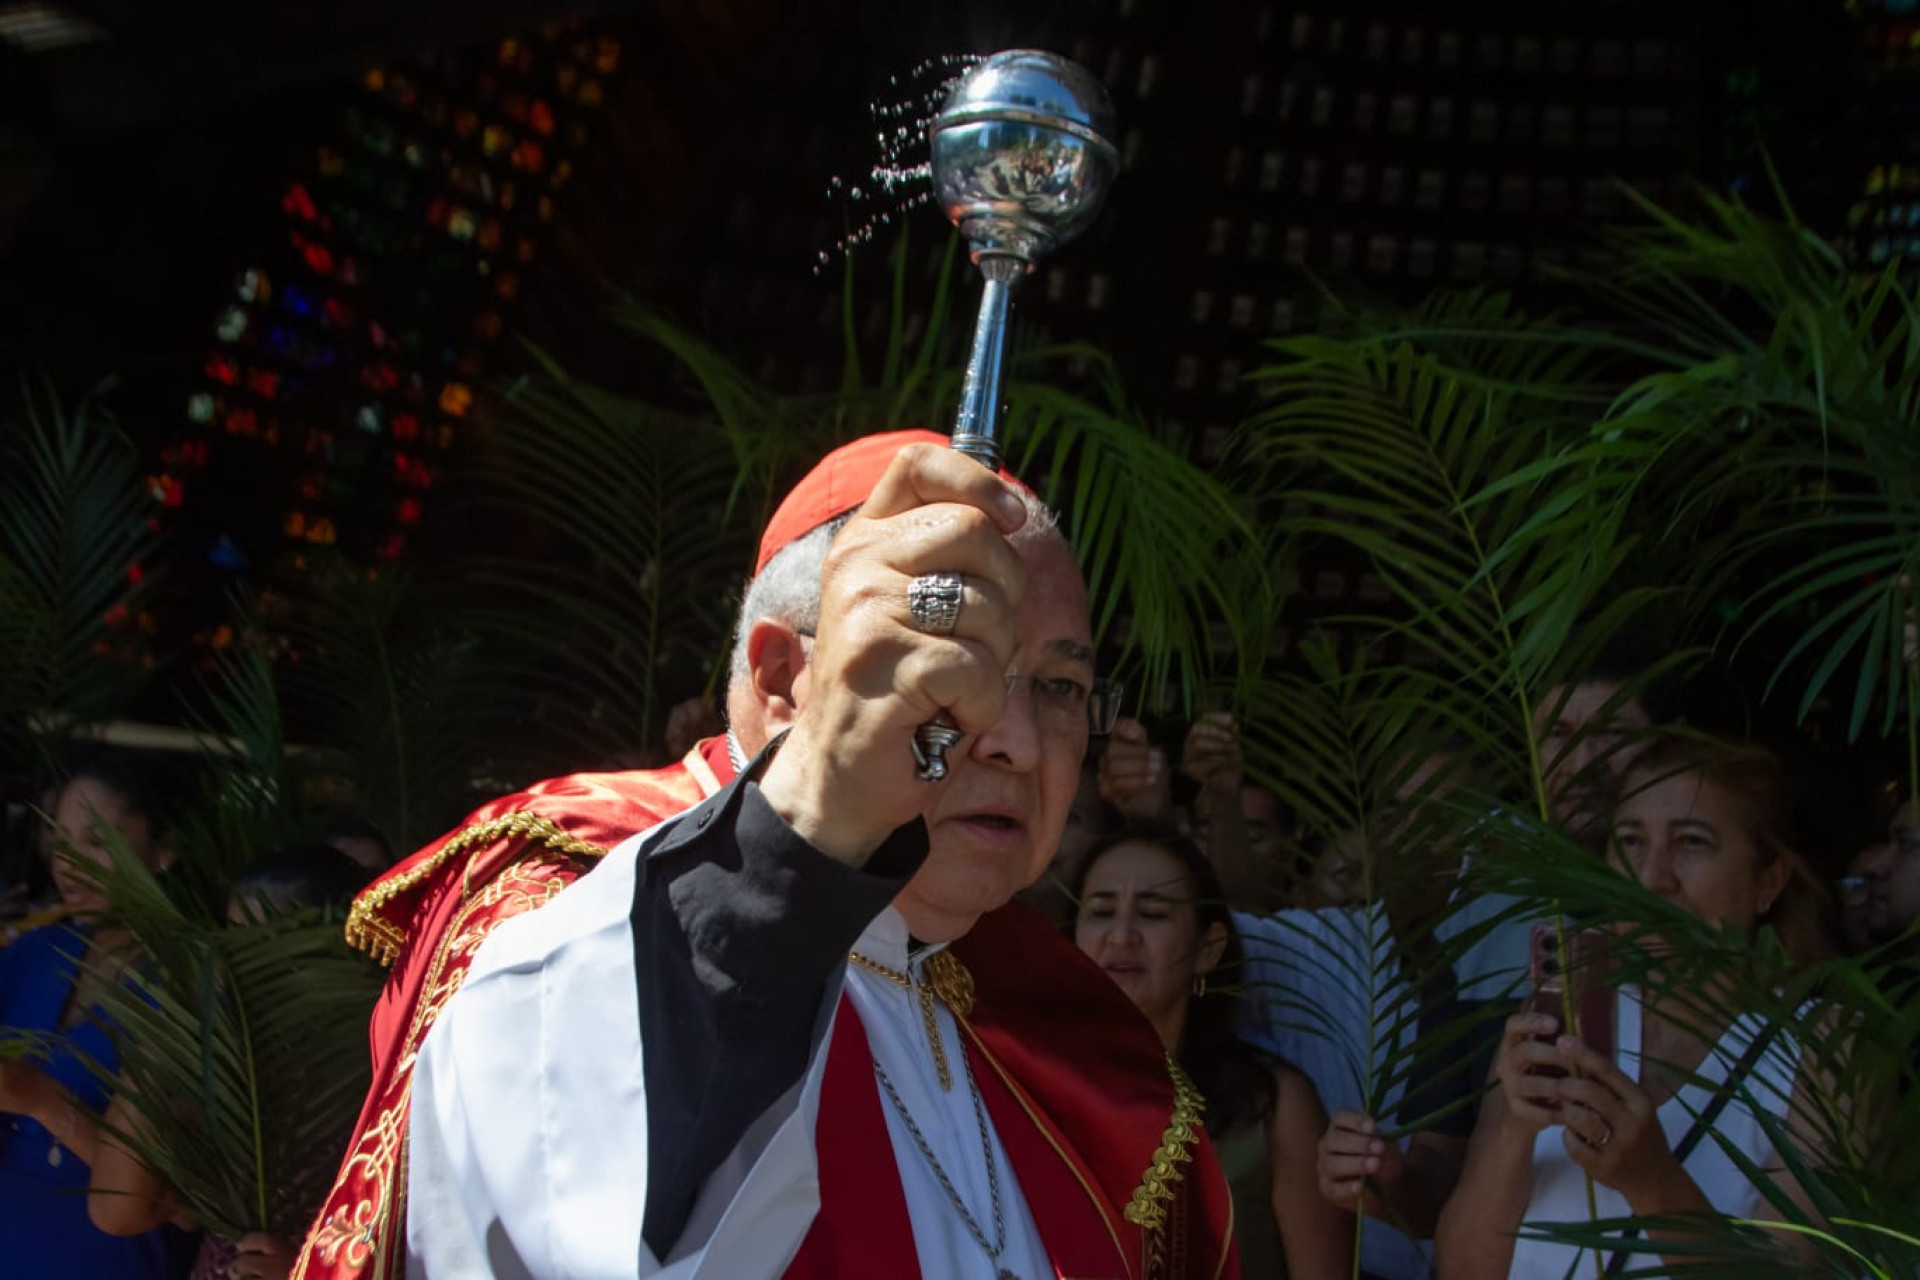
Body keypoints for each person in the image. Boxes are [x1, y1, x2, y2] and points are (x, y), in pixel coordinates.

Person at [296, 431, 1232, 1279]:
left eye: (1062, 686)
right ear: (785, 679)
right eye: (957, 665)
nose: (1017, 740)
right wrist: (810, 828)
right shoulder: (574, 896)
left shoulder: (1067, 1030)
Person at [1433, 735, 1840, 1277]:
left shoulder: (1826, 1047)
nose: (1652, 878)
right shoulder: (1566, 1005)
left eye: (1691, 842)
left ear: (1769, 878)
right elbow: (1464, 1268)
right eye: (1630, 841)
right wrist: (1512, 1132)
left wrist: (1653, 1183)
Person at [1071, 827, 1352, 1276]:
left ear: (1208, 948)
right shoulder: (1035, 1090)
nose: (1122, 935)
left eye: (1153, 913)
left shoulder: (1274, 1107)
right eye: (1102, 912)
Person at [0, 748, 196, 1278]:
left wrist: (40, 1100)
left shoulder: (196, 982)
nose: (69, 864)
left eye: (96, 841)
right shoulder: (32, 953)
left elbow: (184, 1202)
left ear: (164, 851)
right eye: (60, 841)